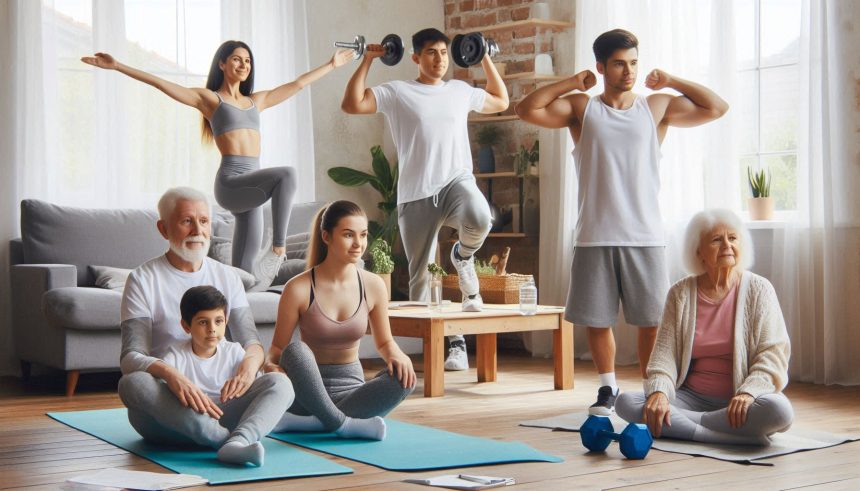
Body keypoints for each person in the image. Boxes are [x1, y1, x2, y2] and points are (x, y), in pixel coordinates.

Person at [516, 29, 729, 413]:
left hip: (645, 235)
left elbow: (716, 108)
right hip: (594, 235)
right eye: (619, 63)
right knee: (598, 321)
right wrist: (568, 83)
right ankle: (608, 388)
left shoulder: (656, 107)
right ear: (601, 67)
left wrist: (672, 81)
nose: (628, 71)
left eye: (633, 63)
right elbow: (526, 110)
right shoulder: (582, 108)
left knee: (651, 323)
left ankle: (652, 391)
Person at [82, 42, 354, 289]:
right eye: (236, 59)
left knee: (244, 279)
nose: (243, 65)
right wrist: (117, 66)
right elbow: (160, 83)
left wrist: (331, 65)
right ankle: (279, 248)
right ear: (222, 64)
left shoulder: (256, 102)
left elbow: (297, 84)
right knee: (287, 175)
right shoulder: (211, 100)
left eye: (247, 61)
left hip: (253, 191)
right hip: (231, 183)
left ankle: (232, 332)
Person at [341, 28, 509, 371]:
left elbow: (501, 101)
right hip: (416, 194)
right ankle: (454, 345)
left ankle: (461, 256)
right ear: (416, 57)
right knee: (420, 283)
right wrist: (369, 60)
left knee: (480, 218)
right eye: (431, 53)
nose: (440, 59)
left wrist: (485, 56)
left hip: (455, 181)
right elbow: (352, 103)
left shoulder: (460, 91)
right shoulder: (399, 92)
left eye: (444, 53)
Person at [118, 187, 293, 462]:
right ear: (164, 229)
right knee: (133, 383)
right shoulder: (142, 279)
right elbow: (130, 357)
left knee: (280, 384)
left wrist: (249, 369)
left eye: (203, 221)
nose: (197, 230)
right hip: (169, 413)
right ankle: (228, 441)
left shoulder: (228, 277)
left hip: (224, 407)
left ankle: (239, 440)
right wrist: (173, 377)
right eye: (187, 221)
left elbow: (252, 344)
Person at [615, 209, 793, 445]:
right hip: (688, 398)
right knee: (626, 403)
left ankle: (685, 426)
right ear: (698, 251)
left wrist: (749, 391)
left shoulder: (760, 289)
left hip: (741, 399)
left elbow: (773, 354)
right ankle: (721, 435)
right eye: (717, 239)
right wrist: (659, 393)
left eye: (733, 238)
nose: (727, 245)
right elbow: (663, 356)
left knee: (779, 411)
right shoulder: (680, 293)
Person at [266, 200, 417, 441]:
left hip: (353, 392)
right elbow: (276, 350)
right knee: (295, 351)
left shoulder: (373, 285)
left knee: (404, 378)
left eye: (363, 235)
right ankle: (342, 424)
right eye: (348, 235)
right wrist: (272, 367)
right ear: (326, 237)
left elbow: (385, 342)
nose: (358, 244)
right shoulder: (298, 288)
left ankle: (313, 424)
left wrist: (396, 354)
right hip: (307, 394)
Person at [162, 285, 293, 466]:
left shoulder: (234, 351)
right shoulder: (175, 356)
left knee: (281, 383)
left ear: (226, 320)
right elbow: (165, 397)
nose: (212, 329)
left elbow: (258, 390)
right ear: (186, 325)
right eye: (202, 322)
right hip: (196, 420)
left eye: (218, 321)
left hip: (230, 414)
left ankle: (238, 442)